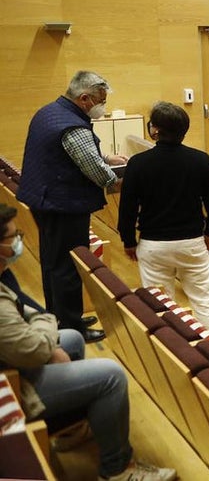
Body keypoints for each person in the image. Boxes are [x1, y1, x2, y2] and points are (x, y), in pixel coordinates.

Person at [0, 205, 177, 481]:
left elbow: (26, 315)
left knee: (71, 337)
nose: (18, 240)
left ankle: (70, 429)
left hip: (14, 361)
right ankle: (118, 468)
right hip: (14, 383)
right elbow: (32, 347)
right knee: (111, 376)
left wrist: (44, 327)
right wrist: (47, 324)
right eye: (13, 236)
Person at [17, 70, 126, 343]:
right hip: (64, 205)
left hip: (44, 200)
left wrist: (106, 157)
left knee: (52, 262)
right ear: (84, 98)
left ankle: (60, 316)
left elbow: (74, 153)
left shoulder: (49, 112)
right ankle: (72, 328)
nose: (103, 106)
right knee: (68, 266)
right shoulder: (74, 126)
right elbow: (98, 174)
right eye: (100, 101)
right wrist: (122, 180)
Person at [118, 101, 209, 336]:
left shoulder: (138, 163)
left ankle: (171, 348)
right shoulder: (201, 160)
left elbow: (127, 209)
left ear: (154, 130)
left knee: (159, 304)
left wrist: (128, 241)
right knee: (205, 299)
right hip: (192, 243)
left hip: (153, 245)